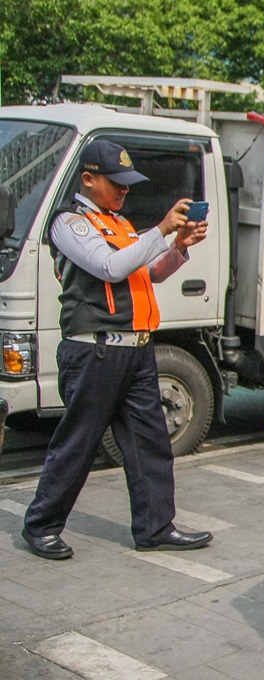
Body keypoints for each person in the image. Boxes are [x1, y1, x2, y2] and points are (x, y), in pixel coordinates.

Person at [20, 140, 213, 560]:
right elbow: (110, 267)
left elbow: (151, 274)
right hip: (96, 351)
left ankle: (156, 527)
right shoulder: (69, 223)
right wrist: (161, 231)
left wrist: (178, 246)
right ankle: (41, 525)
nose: (125, 191)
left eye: (128, 184)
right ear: (88, 180)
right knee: (78, 444)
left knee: (151, 443)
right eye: (117, 183)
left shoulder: (121, 224)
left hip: (137, 350)